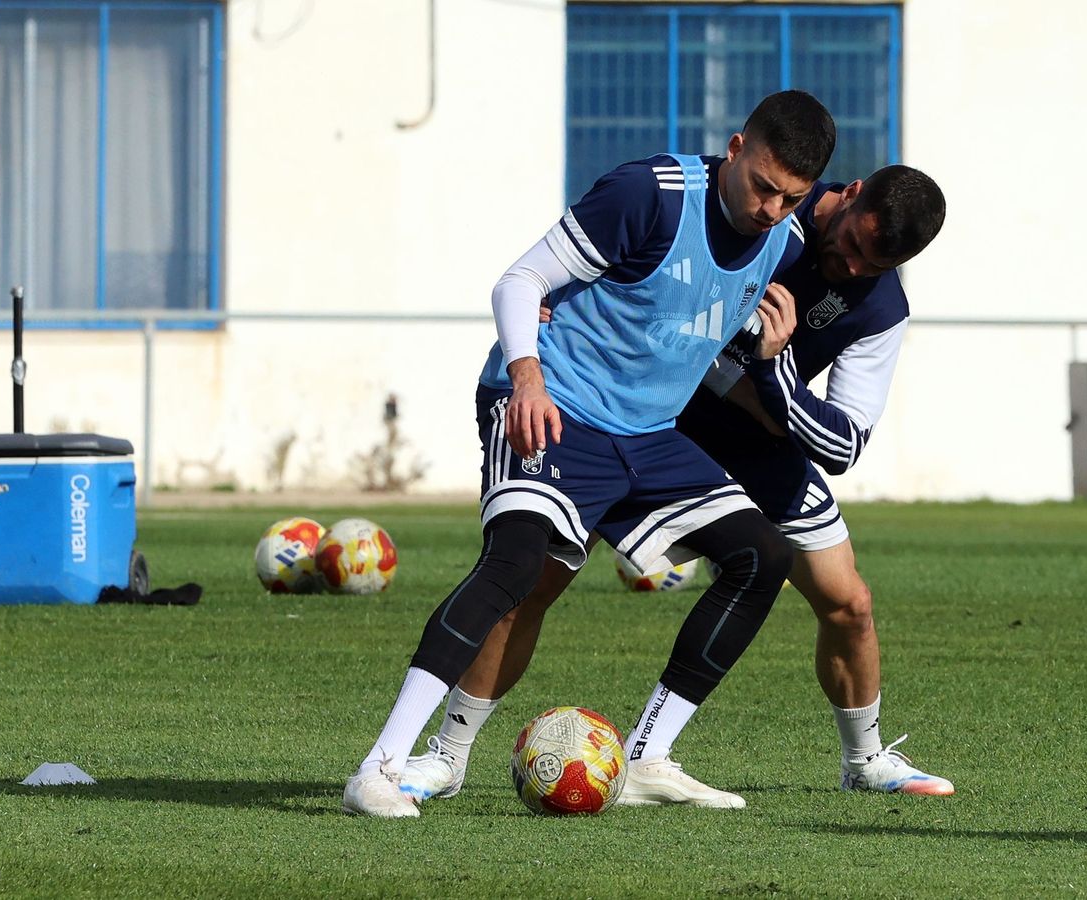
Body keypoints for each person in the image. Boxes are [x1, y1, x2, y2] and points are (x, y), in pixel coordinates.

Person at [342, 90, 837, 818]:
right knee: (515, 565)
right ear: (735, 148)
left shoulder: (783, 244)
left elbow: (698, 339)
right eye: (763, 186)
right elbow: (520, 281)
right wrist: (527, 378)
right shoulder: (649, 195)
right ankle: (383, 768)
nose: (770, 209)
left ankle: (646, 759)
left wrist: (767, 360)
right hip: (554, 405)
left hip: (647, 434)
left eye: (790, 199)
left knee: (763, 555)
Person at [430, 164, 952, 800]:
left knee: (850, 604)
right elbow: (649, 259)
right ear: (851, 193)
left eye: (874, 264)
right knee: (536, 582)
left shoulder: (883, 307)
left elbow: (844, 443)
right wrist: (563, 300)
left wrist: (773, 377)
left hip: (762, 441)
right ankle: (447, 754)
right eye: (851, 243)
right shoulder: (767, 203)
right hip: (654, 415)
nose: (852, 266)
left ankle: (860, 760)